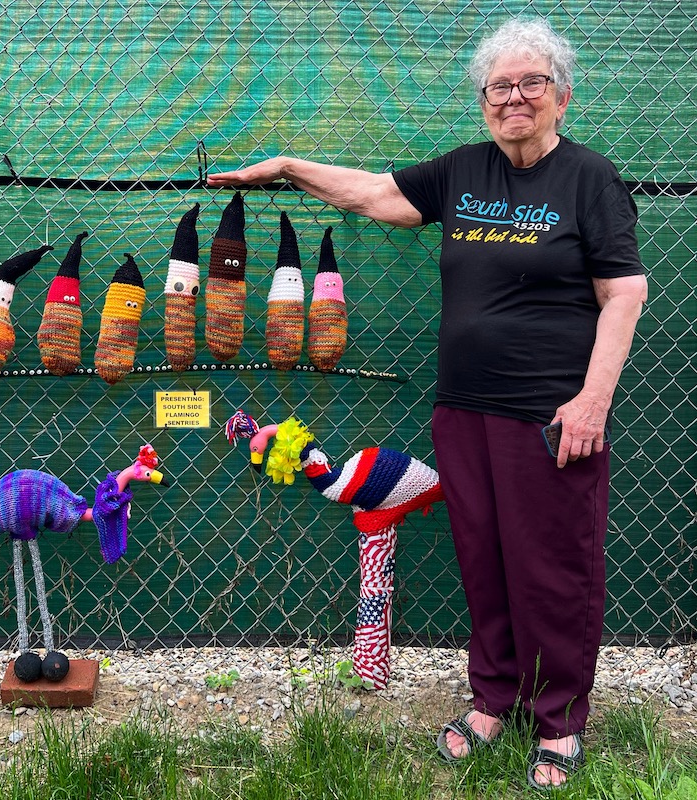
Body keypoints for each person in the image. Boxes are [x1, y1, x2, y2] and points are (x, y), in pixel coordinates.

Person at [208, 17, 647, 789]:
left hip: (549, 417)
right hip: (465, 409)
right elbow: (377, 195)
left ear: (561, 97)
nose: (514, 98)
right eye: (499, 87)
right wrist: (282, 167)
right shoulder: (462, 171)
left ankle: (559, 720)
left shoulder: (589, 179)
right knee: (483, 558)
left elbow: (623, 292)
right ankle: (493, 699)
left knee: (553, 568)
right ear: (484, 101)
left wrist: (591, 403)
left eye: (531, 84)